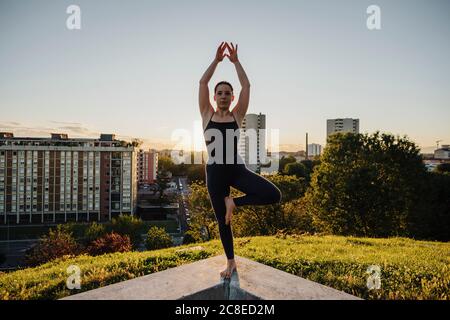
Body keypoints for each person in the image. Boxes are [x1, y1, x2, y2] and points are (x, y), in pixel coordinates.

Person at [199, 42, 282, 279]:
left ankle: (234, 203)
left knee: (273, 195)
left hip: (236, 170)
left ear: (232, 97)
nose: (223, 96)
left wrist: (235, 62)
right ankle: (231, 262)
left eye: (228, 93)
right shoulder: (207, 114)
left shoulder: (237, 115)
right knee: (222, 222)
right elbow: (203, 83)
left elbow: (246, 85)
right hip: (215, 174)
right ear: (214, 97)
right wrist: (216, 61)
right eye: (220, 93)